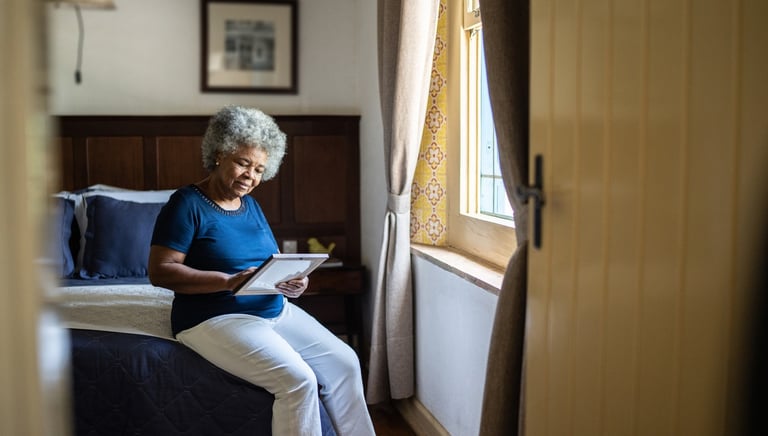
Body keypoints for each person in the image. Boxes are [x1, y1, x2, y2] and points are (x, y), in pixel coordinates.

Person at [148, 105, 375, 436]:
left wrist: (295, 280)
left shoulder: (250, 205)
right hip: (213, 317)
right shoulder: (186, 204)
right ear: (219, 154)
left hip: (273, 309)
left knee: (345, 363)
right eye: (243, 163)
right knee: (298, 380)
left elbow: (271, 259)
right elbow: (161, 271)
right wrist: (228, 282)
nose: (250, 176)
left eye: (258, 170)